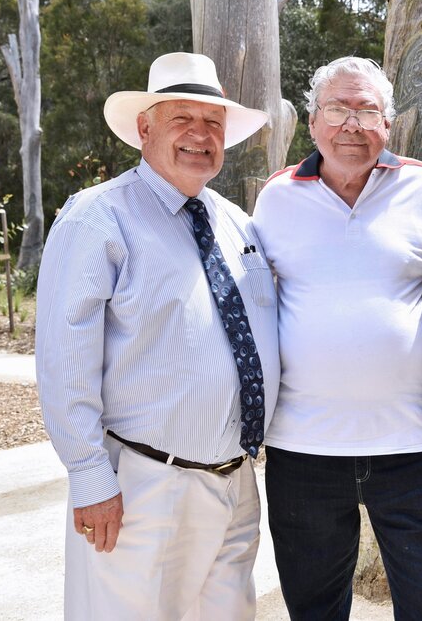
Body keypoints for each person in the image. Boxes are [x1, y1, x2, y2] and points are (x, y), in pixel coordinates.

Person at [35, 52, 280, 620]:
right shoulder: (98, 217)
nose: (201, 135)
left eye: (213, 123)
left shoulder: (235, 223)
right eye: (182, 119)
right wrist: (90, 475)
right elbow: (64, 356)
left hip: (235, 482)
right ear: (144, 128)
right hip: (144, 485)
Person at [253, 56, 422, 621]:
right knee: (315, 607)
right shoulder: (274, 199)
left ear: (388, 123)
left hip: (414, 445)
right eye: (338, 109)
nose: (352, 124)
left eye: (367, 109)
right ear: (314, 120)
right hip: (303, 448)